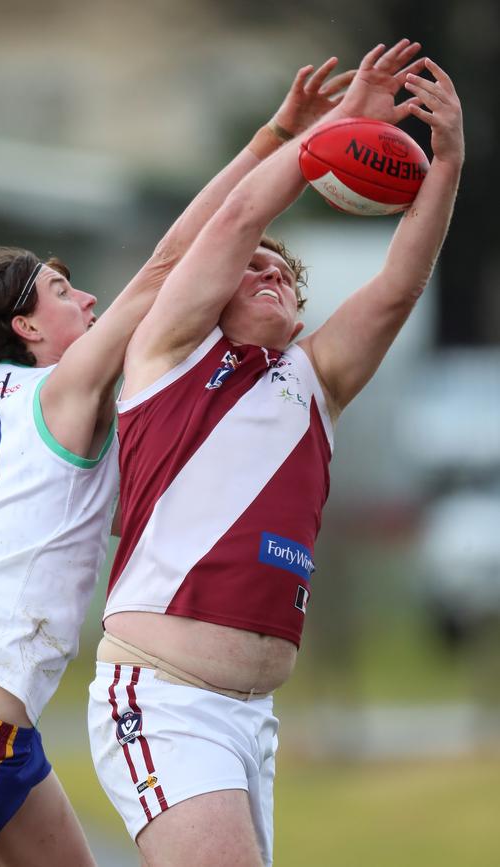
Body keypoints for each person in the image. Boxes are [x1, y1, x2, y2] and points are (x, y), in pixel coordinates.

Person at [0, 58, 354, 867]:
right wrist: (283, 138)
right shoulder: (61, 393)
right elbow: (170, 261)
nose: (87, 300)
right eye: (62, 289)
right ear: (27, 328)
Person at [88, 38, 464, 867]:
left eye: (281, 274)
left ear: (299, 310)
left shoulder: (314, 382)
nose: (264, 270)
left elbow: (400, 285)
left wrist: (445, 168)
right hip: (164, 700)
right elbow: (236, 218)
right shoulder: (170, 358)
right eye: (247, 268)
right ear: (211, 298)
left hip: (251, 718)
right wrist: (331, 134)